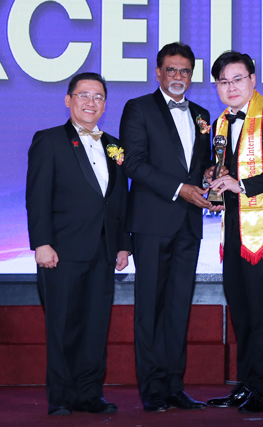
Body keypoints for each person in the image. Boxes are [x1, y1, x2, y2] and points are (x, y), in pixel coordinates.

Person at [26, 72, 131, 416]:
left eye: (98, 96)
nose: (91, 102)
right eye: (83, 95)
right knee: (63, 325)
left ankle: (90, 394)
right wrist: (42, 243)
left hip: (103, 250)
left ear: (105, 104)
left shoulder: (114, 145)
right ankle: (61, 397)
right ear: (68, 100)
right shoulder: (49, 140)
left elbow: (119, 198)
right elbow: (37, 197)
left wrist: (123, 244)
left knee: (95, 326)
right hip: (62, 250)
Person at [119, 42, 211, 412]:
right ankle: (152, 389)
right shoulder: (138, 108)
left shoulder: (203, 114)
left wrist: (209, 176)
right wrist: (180, 189)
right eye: (171, 69)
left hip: (189, 224)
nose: (177, 76)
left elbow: (200, 165)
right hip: (152, 222)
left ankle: (174, 385)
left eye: (184, 70)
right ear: (158, 72)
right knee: (150, 307)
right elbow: (133, 164)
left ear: (192, 75)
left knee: (178, 307)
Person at [205, 51, 263, 413]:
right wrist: (212, 177)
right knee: (240, 308)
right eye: (223, 81)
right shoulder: (220, 124)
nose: (231, 87)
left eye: (237, 79)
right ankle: (244, 385)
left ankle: (262, 389)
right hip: (232, 227)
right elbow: (224, 170)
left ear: (253, 80)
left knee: (260, 307)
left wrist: (242, 184)